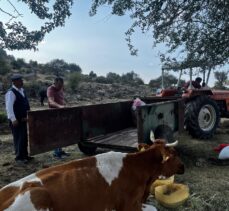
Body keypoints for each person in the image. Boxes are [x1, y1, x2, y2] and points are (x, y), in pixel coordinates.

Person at [5, 74, 33, 164]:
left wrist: (29, 115)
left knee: (24, 138)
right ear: (14, 82)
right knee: (18, 138)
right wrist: (13, 119)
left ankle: (25, 155)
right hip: (16, 120)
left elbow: (25, 103)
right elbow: (9, 107)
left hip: (24, 119)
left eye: (22, 80)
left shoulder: (22, 90)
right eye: (20, 80)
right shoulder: (11, 92)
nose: (22, 82)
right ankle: (19, 158)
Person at [47, 77, 70, 159]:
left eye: (62, 85)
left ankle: (60, 150)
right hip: (54, 115)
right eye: (59, 85)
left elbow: (62, 98)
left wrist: (64, 104)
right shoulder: (50, 89)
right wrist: (59, 106)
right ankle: (56, 153)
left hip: (61, 114)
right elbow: (51, 101)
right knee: (56, 134)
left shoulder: (60, 88)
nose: (61, 87)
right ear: (55, 82)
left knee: (61, 133)